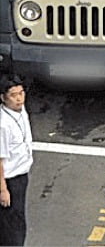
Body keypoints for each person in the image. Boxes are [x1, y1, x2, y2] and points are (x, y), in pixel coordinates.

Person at [0, 75, 32, 247]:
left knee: (16, 220)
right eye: (13, 95)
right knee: (12, 225)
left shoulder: (20, 110)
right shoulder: (3, 124)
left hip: (21, 175)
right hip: (10, 180)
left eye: (21, 93)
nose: (19, 98)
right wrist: (3, 189)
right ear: (3, 98)